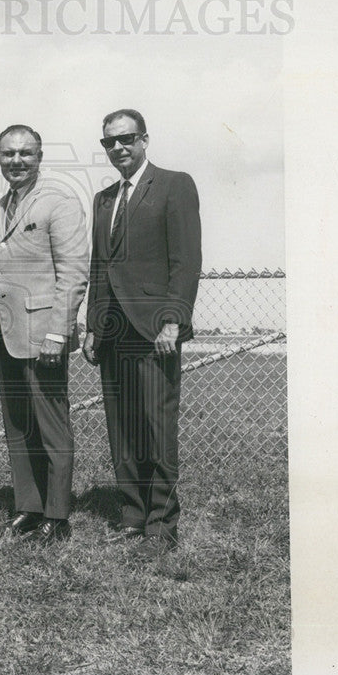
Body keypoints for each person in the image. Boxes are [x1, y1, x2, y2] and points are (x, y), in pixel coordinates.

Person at [82, 108, 202, 558]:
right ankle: (132, 514)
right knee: (123, 426)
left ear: (145, 139)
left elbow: (185, 261)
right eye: (110, 142)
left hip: (155, 332)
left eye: (127, 139)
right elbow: (100, 268)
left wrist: (174, 318)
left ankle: (162, 523)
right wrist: (94, 326)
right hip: (113, 334)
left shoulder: (174, 185)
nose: (119, 148)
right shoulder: (104, 199)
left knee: (156, 426)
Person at [0, 124, 89, 546]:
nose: (16, 161)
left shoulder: (59, 202)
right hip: (6, 336)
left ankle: (57, 515)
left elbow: (73, 274)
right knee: (18, 426)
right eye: (8, 154)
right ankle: (28, 507)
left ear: (40, 155)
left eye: (25, 153)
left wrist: (57, 334)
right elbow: (1, 270)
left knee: (51, 426)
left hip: (42, 336)